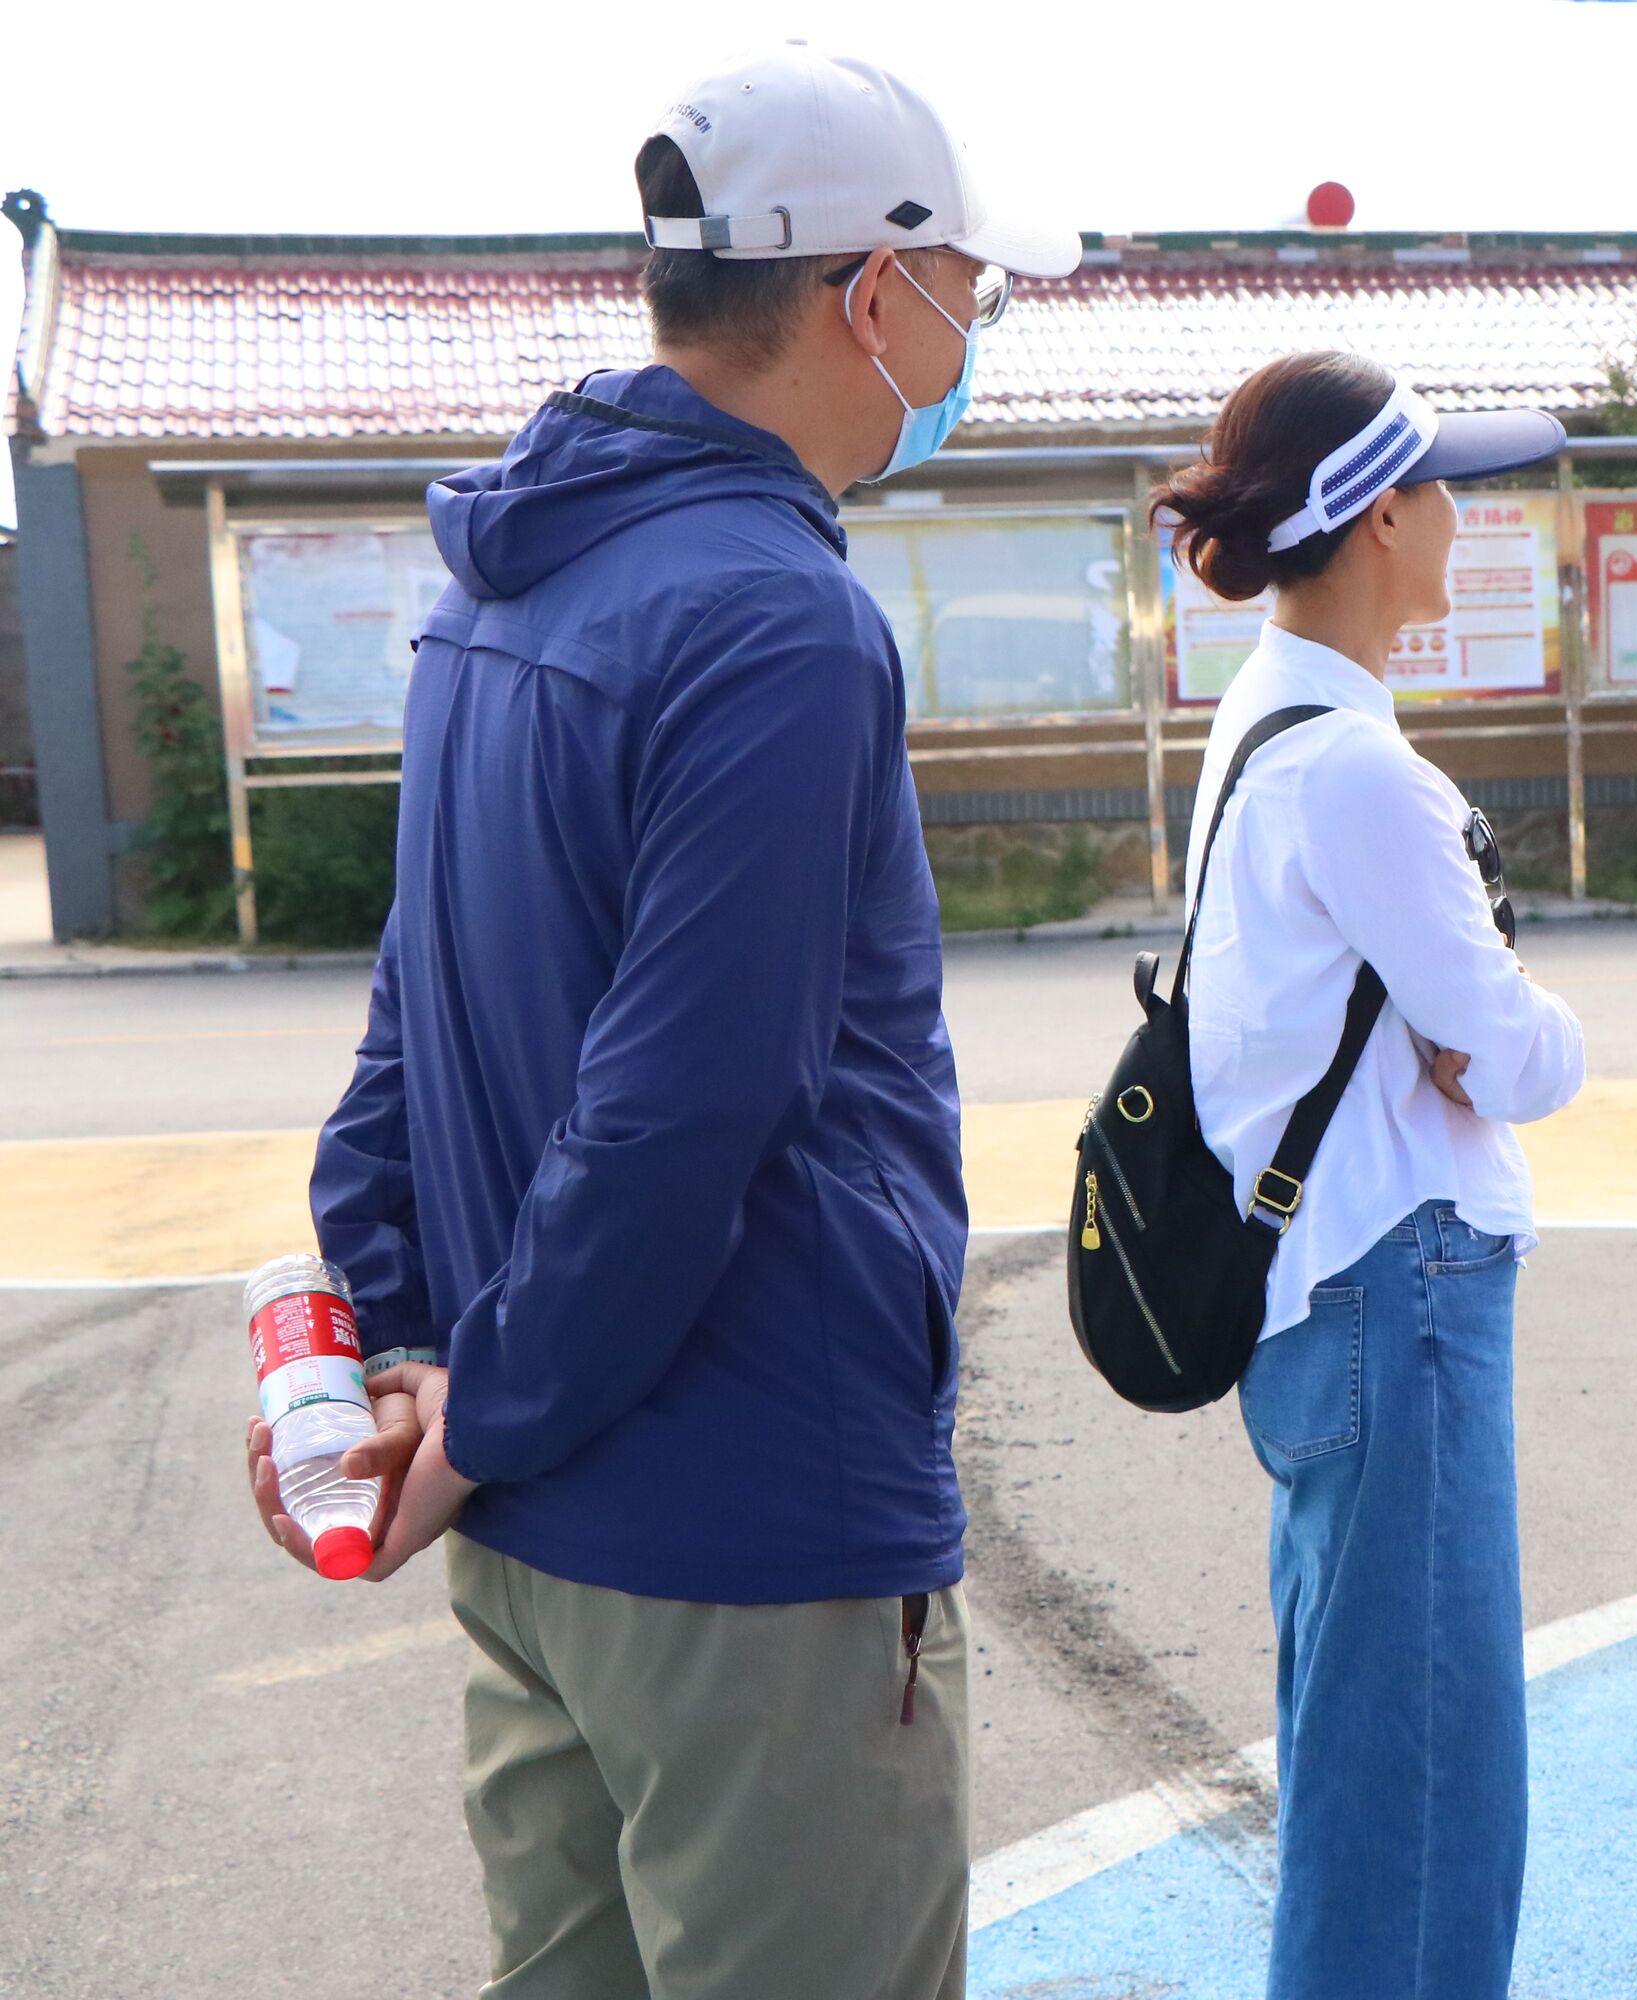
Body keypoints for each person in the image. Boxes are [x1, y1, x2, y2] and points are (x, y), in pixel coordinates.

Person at [240, 46, 1078, 2000]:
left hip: (538, 1524)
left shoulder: (504, 583)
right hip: (748, 1519)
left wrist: (418, 1361)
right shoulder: (776, 621)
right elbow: (681, 1108)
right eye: (970, 289)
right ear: (873, 292)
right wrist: (482, 1409)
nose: (973, 334)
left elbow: (411, 1027)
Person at [1152, 351, 1587, 2000]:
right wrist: (1536, 1025)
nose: (1467, 517)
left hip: (1318, 1291)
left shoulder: (1269, 717)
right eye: (1447, 487)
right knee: (1426, 1760)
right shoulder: (1360, 771)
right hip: (1399, 1289)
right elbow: (1516, 1055)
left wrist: (1475, 1021)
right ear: (1383, 514)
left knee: (1362, 1731)